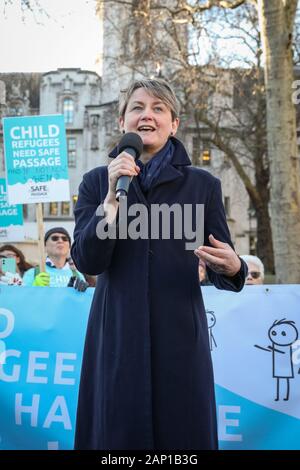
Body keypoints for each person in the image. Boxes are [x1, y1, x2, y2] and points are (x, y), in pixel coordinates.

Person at [71, 78, 247, 450]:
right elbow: (88, 260)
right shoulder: (95, 183)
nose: (146, 115)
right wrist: (110, 204)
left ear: (174, 124)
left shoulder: (202, 185)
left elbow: (223, 263)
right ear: (123, 123)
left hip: (180, 340)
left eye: (158, 108)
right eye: (136, 107)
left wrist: (234, 268)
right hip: (116, 338)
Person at [23, 227, 87, 289]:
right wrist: (34, 288)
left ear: (69, 247)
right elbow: (22, 298)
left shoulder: (78, 275)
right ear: (44, 247)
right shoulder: (32, 273)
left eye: (64, 239)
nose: (60, 241)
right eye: (55, 238)